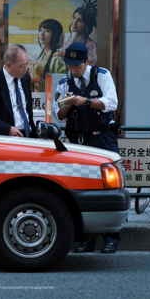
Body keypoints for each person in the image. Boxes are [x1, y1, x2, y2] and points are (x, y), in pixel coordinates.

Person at [55, 41, 120, 253]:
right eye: (70, 65)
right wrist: (67, 104)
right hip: (77, 141)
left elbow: (112, 102)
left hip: (102, 138)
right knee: (81, 186)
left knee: (109, 186)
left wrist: (86, 101)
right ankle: (85, 238)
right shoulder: (65, 82)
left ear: (85, 62)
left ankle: (111, 237)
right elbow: (58, 113)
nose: (73, 69)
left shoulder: (101, 75)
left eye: (76, 65)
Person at [31, 18, 66, 90]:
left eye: (47, 31)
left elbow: (60, 85)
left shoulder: (57, 59)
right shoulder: (40, 55)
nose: (42, 34)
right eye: (40, 30)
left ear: (55, 35)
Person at [65, 0, 98, 65]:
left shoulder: (91, 45)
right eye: (74, 18)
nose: (74, 22)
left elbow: (90, 63)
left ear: (86, 25)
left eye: (79, 20)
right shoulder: (69, 40)